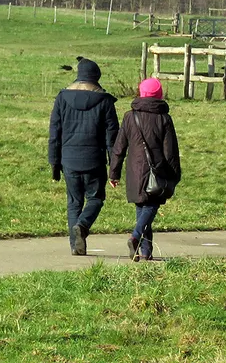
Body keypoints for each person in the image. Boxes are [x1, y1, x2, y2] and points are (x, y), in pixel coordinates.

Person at [48, 57, 119, 255]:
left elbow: (55, 132)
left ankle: (75, 246)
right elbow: (112, 139)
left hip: (68, 160)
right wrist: (115, 168)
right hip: (94, 161)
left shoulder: (62, 98)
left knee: (73, 203)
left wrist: (54, 162)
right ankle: (83, 225)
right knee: (95, 198)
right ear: (96, 77)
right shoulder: (105, 101)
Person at [110, 78, 181, 261]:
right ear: (159, 94)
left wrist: (114, 173)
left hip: (134, 170)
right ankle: (135, 236)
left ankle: (146, 251)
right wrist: (174, 175)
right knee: (150, 205)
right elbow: (170, 151)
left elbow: (119, 147)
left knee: (142, 206)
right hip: (157, 171)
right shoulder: (164, 118)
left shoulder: (129, 116)